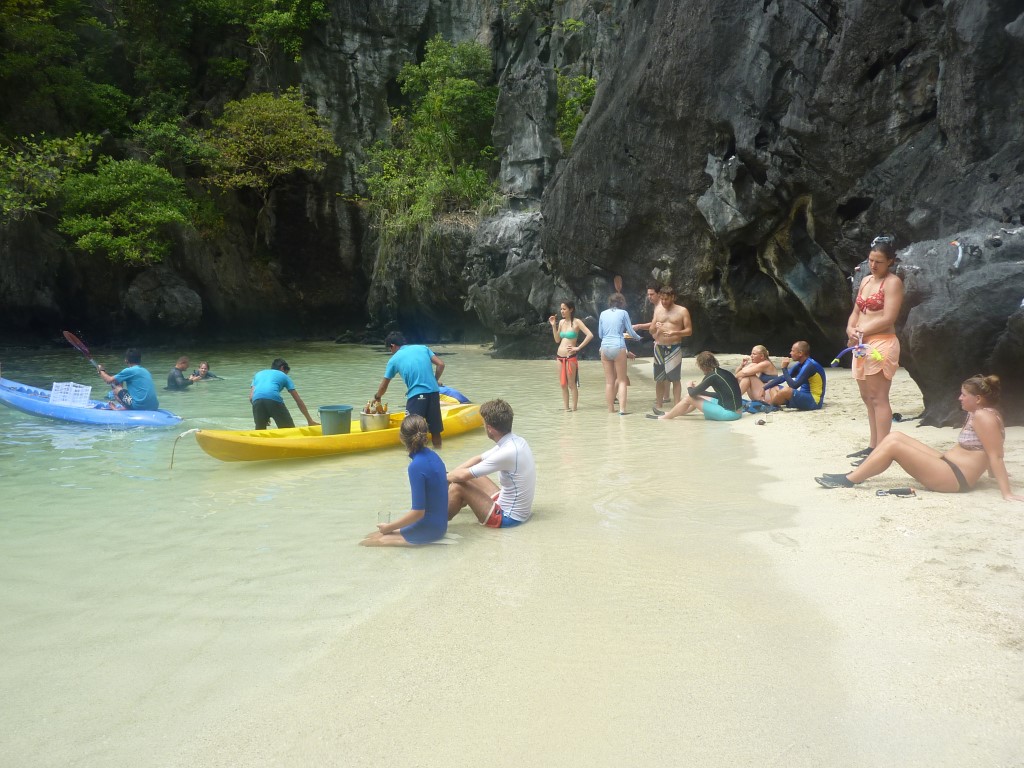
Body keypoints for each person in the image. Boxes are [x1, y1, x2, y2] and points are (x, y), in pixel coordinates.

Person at [815, 375, 1024, 501]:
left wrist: (1006, 492)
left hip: (954, 478)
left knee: (894, 446)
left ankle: (849, 480)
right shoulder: (978, 412)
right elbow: (989, 448)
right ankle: (855, 474)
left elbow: (996, 455)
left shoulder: (984, 417)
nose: (959, 398)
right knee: (895, 436)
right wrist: (991, 474)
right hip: (949, 465)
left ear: (977, 398)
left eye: (963, 395)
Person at [845, 235, 905, 462]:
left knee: (879, 397)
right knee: (867, 397)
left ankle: (882, 449)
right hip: (862, 344)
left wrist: (861, 331)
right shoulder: (865, 281)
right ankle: (873, 446)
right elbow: (856, 311)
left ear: (890, 261)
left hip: (882, 342)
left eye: (879, 261)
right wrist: (850, 330)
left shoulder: (893, 283)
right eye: (871, 260)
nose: (873, 265)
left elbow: (889, 317)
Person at [360, 415, 450, 547]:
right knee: (371, 536)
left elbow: (418, 513)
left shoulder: (416, 466)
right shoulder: (434, 456)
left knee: (366, 543)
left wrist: (389, 527)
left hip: (429, 530)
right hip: (440, 525)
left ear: (402, 438)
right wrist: (390, 528)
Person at [447, 399, 536, 527]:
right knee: (460, 476)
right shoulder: (515, 441)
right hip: (505, 502)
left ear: (489, 429)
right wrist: (449, 476)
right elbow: (478, 459)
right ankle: (459, 500)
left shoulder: (507, 452)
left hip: (508, 518)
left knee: (457, 487)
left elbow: (463, 476)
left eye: (484, 424)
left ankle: (436, 520)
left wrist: (443, 479)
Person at [372, 332, 446, 448]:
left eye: (389, 349)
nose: (391, 352)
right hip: (434, 393)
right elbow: (441, 364)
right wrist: (434, 381)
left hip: (417, 396)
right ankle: (438, 453)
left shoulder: (394, 359)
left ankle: (415, 456)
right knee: (435, 431)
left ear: (392, 346)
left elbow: (383, 386)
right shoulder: (423, 348)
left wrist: (377, 397)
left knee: (410, 432)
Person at [649, 351, 742, 421]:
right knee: (696, 396)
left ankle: (665, 418)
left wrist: (689, 386)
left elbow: (691, 394)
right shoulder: (723, 372)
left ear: (702, 366)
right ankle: (670, 413)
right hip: (737, 411)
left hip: (729, 414)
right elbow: (720, 395)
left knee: (689, 398)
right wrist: (698, 391)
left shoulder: (712, 376)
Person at [642, 286, 692, 409]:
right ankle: (659, 405)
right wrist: (655, 327)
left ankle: (677, 407)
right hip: (659, 347)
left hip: (674, 347)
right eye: (662, 299)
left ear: (673, 297)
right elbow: (651, 330)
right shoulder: (658, 310)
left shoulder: (682, 311)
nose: (664, 302)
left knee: (675, 378)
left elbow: (689, 331)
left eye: (666, 299)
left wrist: (675, 333)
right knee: (659, 378)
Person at [598, 292, 642, 415]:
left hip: (605, 347)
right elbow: (631, 332)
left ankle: (611, 409)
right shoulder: (623, 313)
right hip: (618, 346)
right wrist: (639, 338)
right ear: (622, 303)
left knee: (609, 382)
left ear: (610, 302)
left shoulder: (602, 314)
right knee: (622, 380)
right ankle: (622, 410)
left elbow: (600, 334)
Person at [548, 300, 594, 411]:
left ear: (571, 309)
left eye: (564, 309)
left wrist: (578, 347)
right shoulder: (561, 322)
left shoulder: (577, 322)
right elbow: (557, 340)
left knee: (571, 384)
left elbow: (590, 335)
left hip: (570, 357)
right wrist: (554, 326)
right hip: (559, 357)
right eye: (561, 309)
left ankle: (574, 409)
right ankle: (566, 409)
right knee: (563, 384)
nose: (562, 311)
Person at [250, 358, 318, 430]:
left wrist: (264, 414)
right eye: (286, 372)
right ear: (282, 368)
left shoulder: (258, 374)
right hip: (273, 399)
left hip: (256, 401)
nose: (286, 374)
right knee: (289, 430)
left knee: (260, 431)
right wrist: (310, 420)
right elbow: (298, 400)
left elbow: (251, 397)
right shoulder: (284, 376)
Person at [762, 341, 826, 410]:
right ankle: (775, 404)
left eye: (792, 351)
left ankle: (771, 406)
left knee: (786, 390)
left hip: (814, 401)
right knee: (772, 384)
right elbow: (783, 378)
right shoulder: (801, 364)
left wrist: (784, 368)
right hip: (803, 396)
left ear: (800, 353)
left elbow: (793, 386)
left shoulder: (810, 365)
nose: (790, 353)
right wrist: (764, 388)